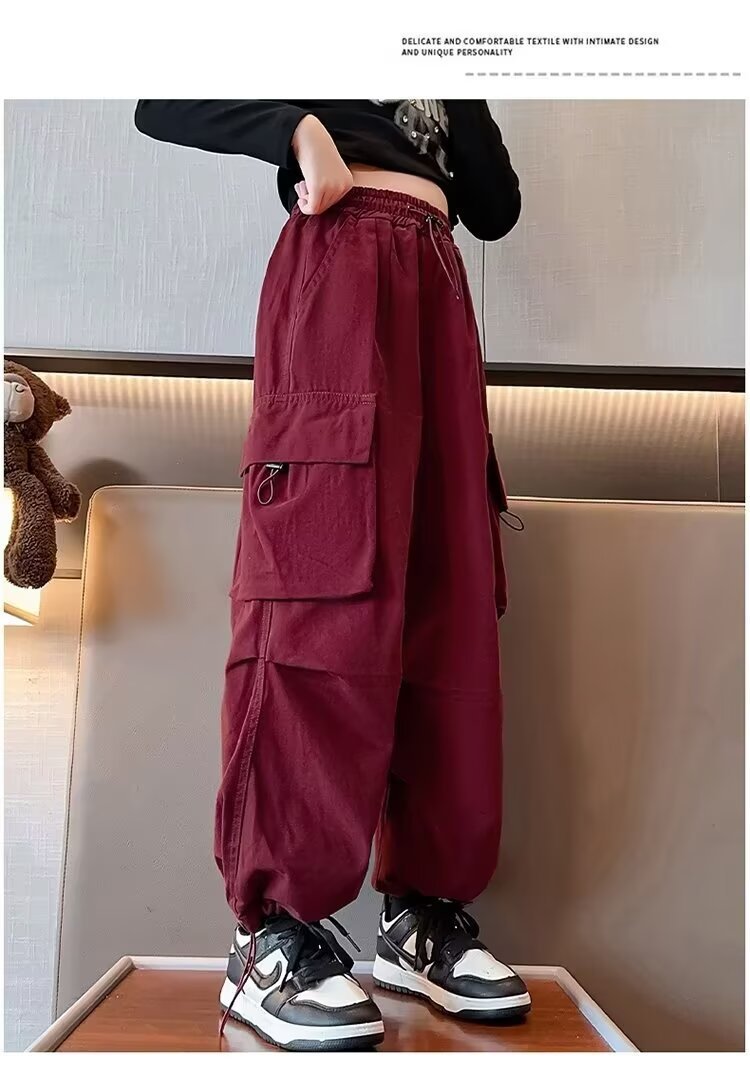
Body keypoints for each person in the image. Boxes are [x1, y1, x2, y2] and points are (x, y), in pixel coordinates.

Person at [134, 99, 528, 1051]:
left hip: (438, 283)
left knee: (448, 600)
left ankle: (419, 913)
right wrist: (297, 130)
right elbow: (161, 94)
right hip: (340, 265)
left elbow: (496, 206)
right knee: (320, 593)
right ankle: (268, 939)